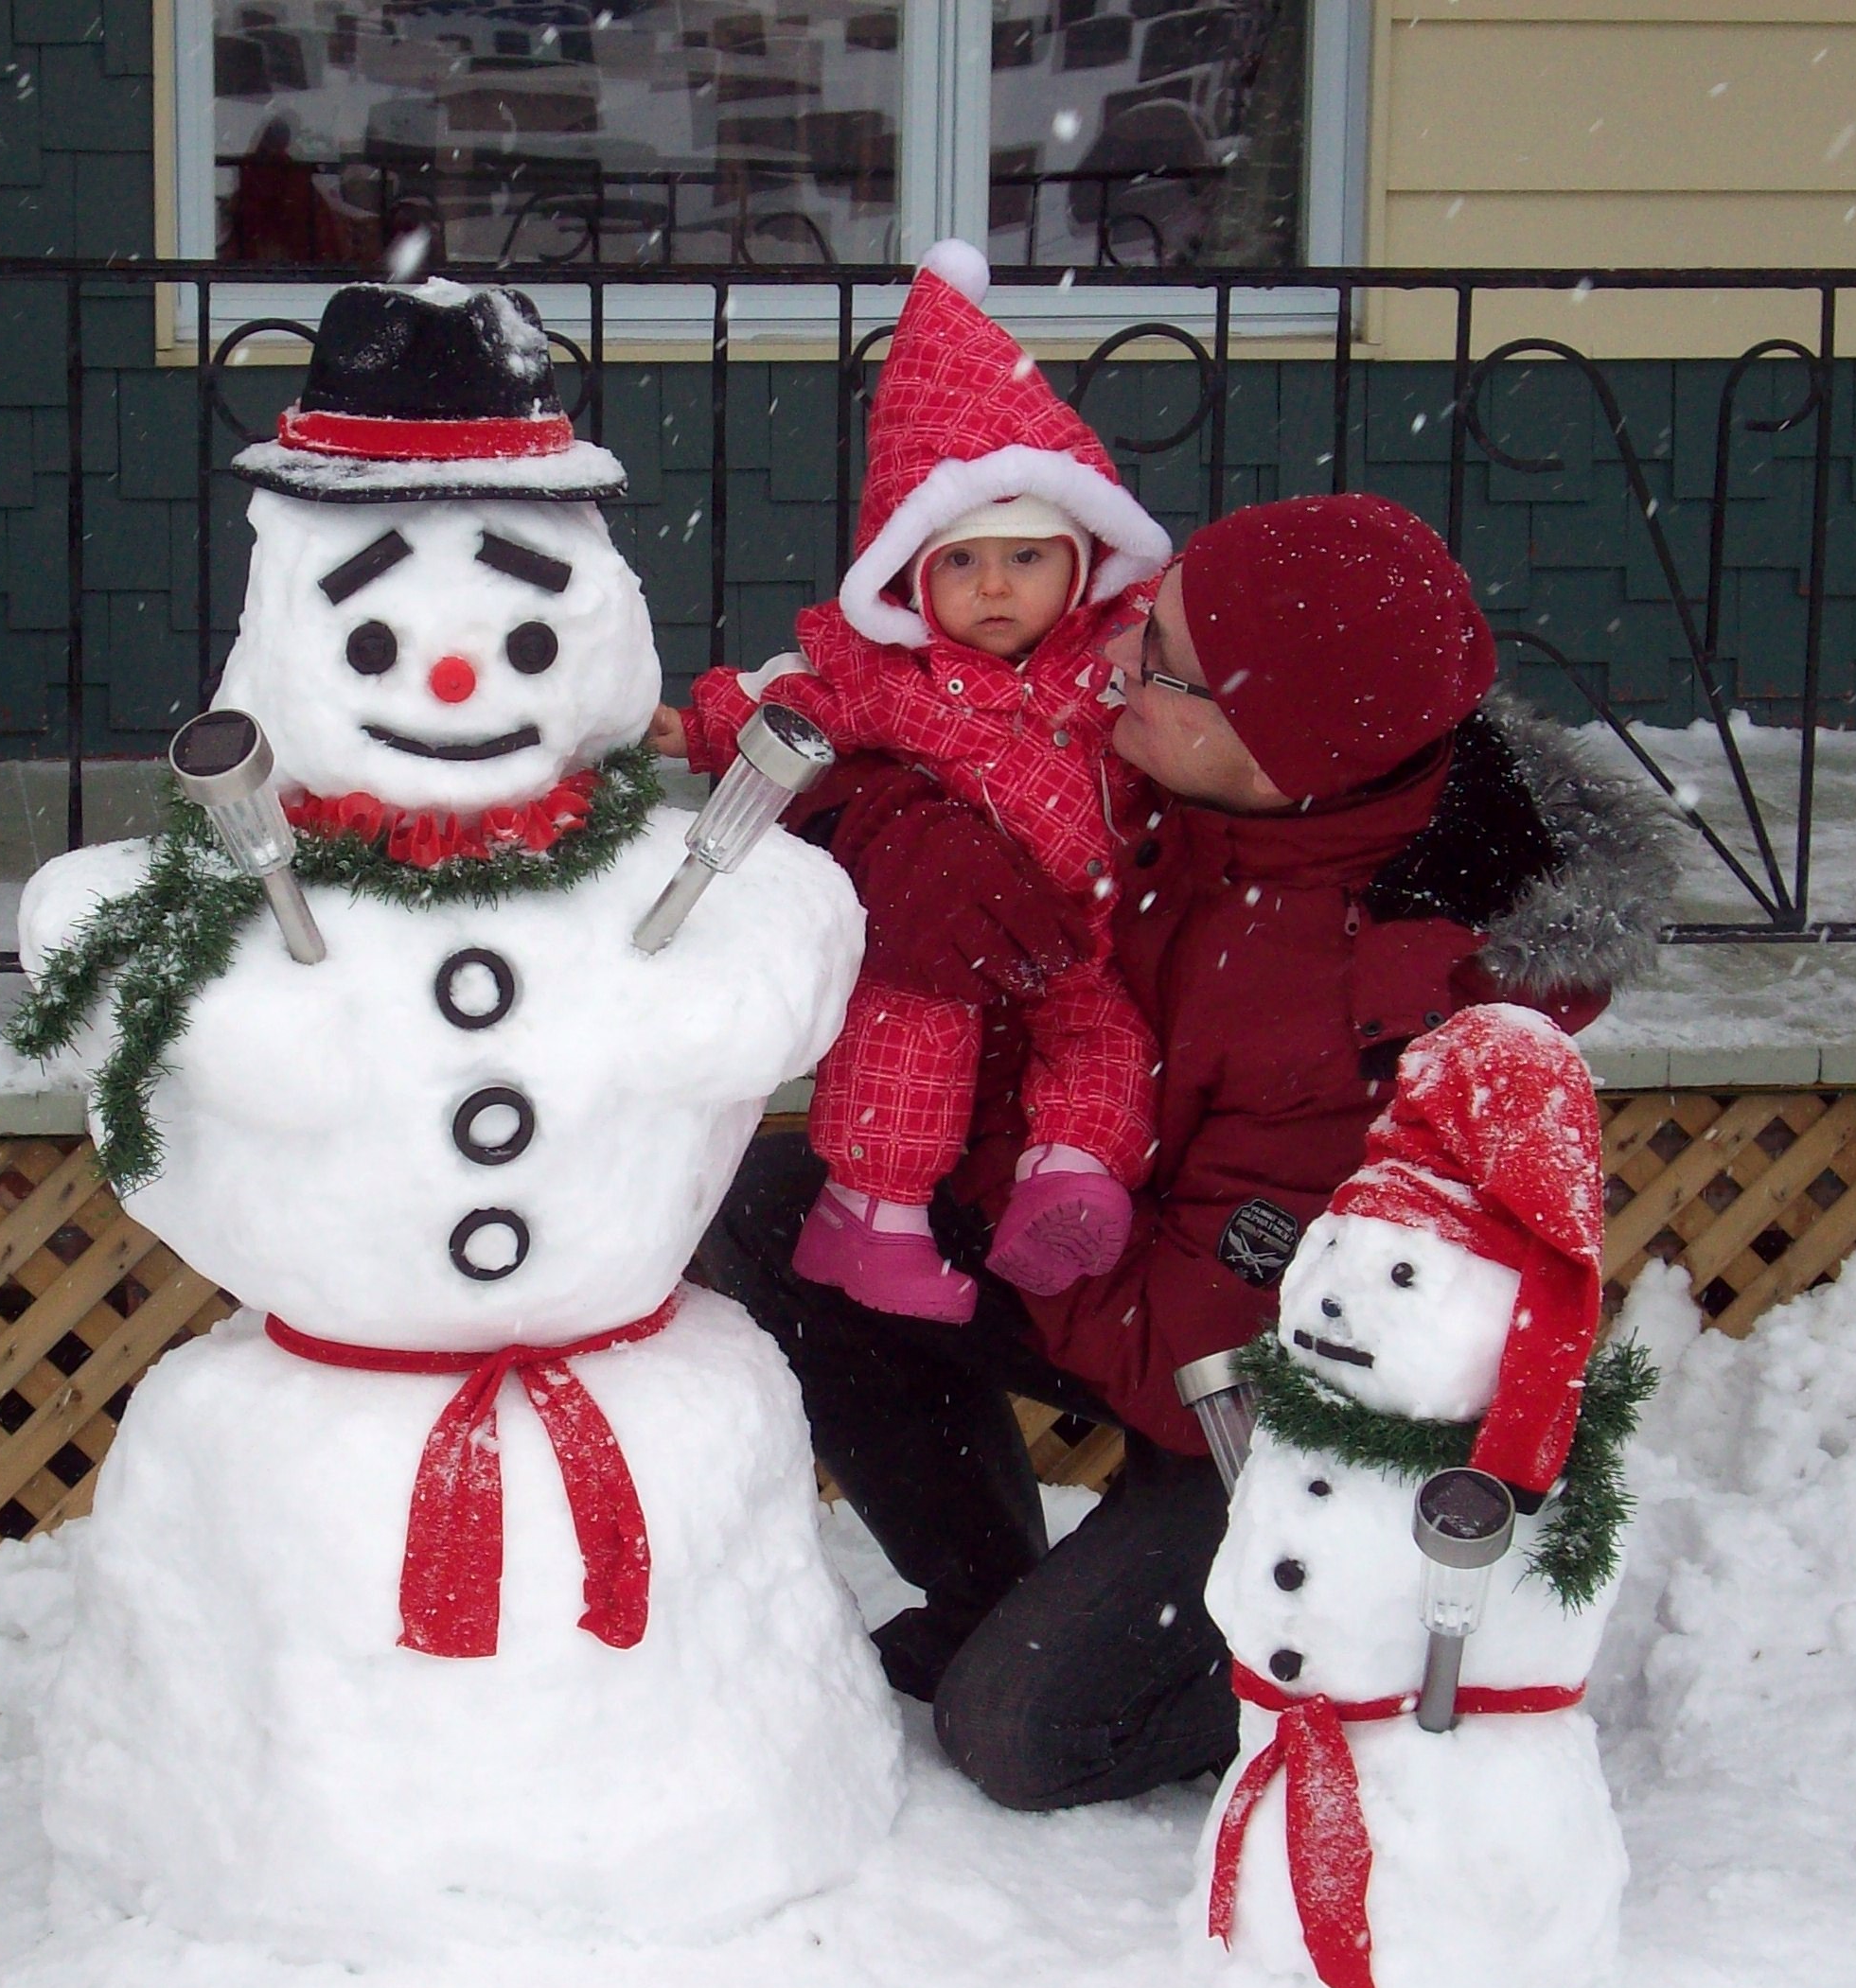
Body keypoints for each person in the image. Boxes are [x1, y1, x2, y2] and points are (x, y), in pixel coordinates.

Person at [697, 491, 1679, 1809]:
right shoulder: (1159, 778)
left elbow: (1200, 1359)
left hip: (1274, 1414)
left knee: (1023, 1736)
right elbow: (902, 731)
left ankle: (1264, 1660)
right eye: (1137, 624)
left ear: (1282, 746)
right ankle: (993, 1588)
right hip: (1119, 1270)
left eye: (1155, 661)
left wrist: (1027, 1179)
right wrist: (896, 833)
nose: (1107, 663)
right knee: (780, 1210)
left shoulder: (1398, 1003)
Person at [650, 240, 1172, 1327]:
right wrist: (687, 726)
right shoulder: (893, 677)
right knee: (906, 1039)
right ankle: (870, 1215)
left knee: (1108, 1044)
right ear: (911, 576)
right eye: (959, 563)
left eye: (1024, 559)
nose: (992, 588)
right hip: (943, 938)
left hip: (1073, 937)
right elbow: (789, 703)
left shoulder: (1112, 669)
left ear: (1078, 563)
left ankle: (1066, 1182)